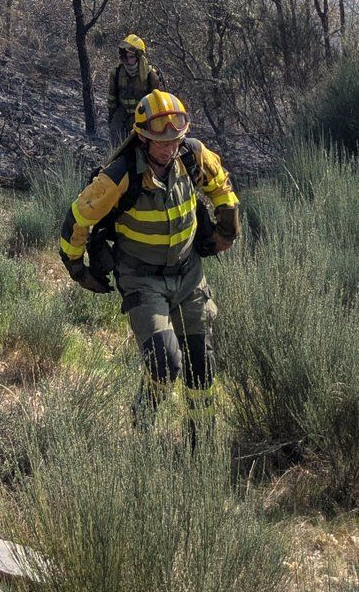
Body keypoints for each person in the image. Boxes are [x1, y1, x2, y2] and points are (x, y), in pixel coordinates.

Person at [59, 89, 241, 422]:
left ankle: (199, 447)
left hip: (189, 276)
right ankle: (142, 424)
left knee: (201, 365)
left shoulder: (191, 155)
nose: (170, 148)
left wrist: (227, 222)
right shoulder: (120, 176)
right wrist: (76, 267)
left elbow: (219, 184)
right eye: (162, 142)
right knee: (165, 360)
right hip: (142, 279)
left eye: (176, 140)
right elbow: (76, 219)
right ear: (142, 138)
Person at [104, 34, 164, 149]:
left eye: (130, 57)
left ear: (139, 56)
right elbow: (112, 100)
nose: (126, 61)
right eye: (124, 57)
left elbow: (157, 104)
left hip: (142, 112)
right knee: (115, 131)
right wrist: (112, 118)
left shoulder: (151, 76)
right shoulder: (116, 73)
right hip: (123, 110)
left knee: (137, 140)